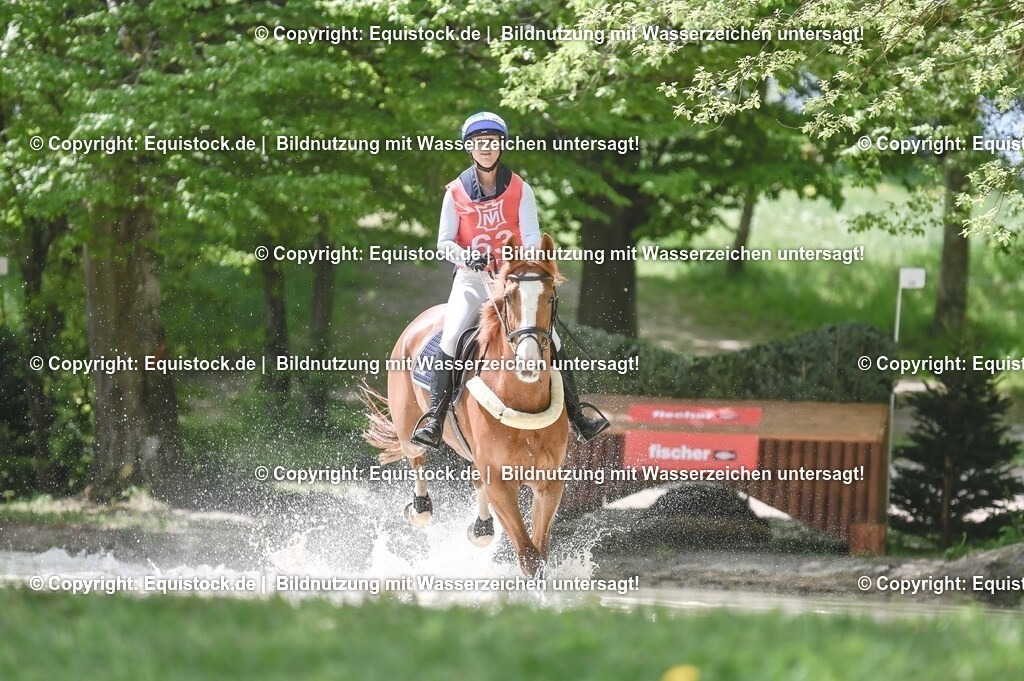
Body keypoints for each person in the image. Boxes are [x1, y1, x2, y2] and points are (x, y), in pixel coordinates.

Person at [411, 111, 611, 449]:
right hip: (473, 281)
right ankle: (434, 417)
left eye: (492, 142)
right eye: (479, 143)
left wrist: (524, 263)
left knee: (555, 343)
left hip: (513, 282)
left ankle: (578, 415)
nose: (486, 148)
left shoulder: (521, 189)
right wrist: (465, 256)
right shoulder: (455, 192)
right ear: (469, 147)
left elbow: (532, 233)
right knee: (452, 336)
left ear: (501, 146)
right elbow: (444, 242)